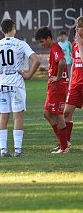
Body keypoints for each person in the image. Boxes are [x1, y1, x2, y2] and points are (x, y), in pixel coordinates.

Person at [0, 19, 40, 157]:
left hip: (3, 82)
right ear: (13, 28)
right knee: (18, 117)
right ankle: (18, 150)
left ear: (1, 30)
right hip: (16, 82)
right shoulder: (20, 43)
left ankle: (3, 150)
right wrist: (29, 75)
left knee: (3, 117)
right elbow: (36, 60)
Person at [35, 26, 69, 154]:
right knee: (47, 113)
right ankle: (63, 143)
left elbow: (62, 62)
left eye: (42, 41)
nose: (41, 44)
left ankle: (64, 147)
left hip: (58, 87)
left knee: (58, 116)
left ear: (49, 38)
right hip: (55, 87)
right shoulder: (53, 49)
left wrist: (58, 77)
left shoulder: (55, 48)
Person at [63, 16, 83, 152]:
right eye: (76, 26)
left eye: (79, 26)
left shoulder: (78, 43)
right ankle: (66, 144)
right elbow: (74, 63)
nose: (76, 29)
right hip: (76, 83)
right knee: (66, 112)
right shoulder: (75, 43)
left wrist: (80, 44)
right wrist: (70, 83)